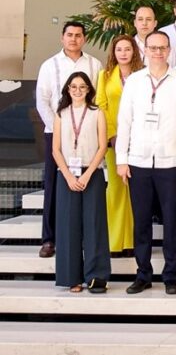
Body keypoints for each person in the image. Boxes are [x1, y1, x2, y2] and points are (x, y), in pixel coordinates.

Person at [116, 31, 176, 295]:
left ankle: (171, 275)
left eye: (162, 48)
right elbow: (124, 121)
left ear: (169, 50)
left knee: (173, 221)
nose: (158, 52)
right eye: (153, 48)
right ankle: (143, 274)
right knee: (141, 222)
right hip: (138, 161)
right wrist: (122, 159)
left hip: (171, 162)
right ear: (145, 50)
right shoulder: (134, 81)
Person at [35, 21, 103, 258]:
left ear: (85, 39)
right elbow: (42, 100)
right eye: (69, 35)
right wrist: (59, 128)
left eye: (78, 35)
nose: (73, 39)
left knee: (88, 185)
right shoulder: (49, 65)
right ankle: (49, 239)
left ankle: (82, 237)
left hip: (87, 134)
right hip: (57, 134)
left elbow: (98, 99)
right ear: (62, 37)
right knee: (54, 185)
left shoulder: (94, 64)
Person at [52, 72, 110, 293]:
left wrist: (87, 175)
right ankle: (71, 277)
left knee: (94, 224)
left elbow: (102, 147)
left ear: (89, 90)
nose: (78, 90)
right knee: (68, 226)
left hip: (91, 173)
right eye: (74, 87)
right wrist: (68, 176)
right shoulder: (61, 114)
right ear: (68, 89)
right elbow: (55, 149)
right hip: (66, 174)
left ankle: (96, 277)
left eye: (82, 87)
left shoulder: (97, 113)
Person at [95, 35, 143, 257]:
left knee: (134, 191)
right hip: (113, 141)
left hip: (139, 140)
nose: (123, 53)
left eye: (127, 49)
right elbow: (101, 106)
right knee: (115, 189)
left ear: (134, 51)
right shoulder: (104, 76)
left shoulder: (142, 75)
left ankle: (132, 241)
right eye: (119, 49)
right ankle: (114, 242)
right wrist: (112, 134)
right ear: (113, 53)